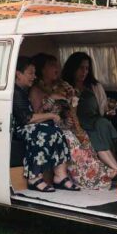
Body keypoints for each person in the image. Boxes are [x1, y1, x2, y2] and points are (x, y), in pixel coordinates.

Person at [30, 53, 112, 190]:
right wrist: (52, 98)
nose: (56, 68)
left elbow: (69, 109)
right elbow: (36, 116)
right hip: (46, 127)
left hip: (62, 125)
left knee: (83, 136)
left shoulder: (60, 86)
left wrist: (70, 105)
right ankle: (85, 177)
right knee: (69, 138)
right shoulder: (36, 90)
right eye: (51, 66)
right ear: (42, 69)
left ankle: (98, 172)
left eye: (56, 65)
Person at [12, 56, 72, 192]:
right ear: (18, 74)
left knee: (56, 130)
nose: (34, 77)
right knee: (42, 133)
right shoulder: (15, 92)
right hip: (18, 128)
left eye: (34, 73)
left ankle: (60, 176)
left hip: (28, 125)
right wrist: (51, 115)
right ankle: (34, 177)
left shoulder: (24, 90)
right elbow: (26, 119)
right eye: (30, 73)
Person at [61, 52, 117, 177]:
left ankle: (114, 167)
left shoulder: (94, 86)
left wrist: (110, 108)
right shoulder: (64, 86)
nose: (84, 72)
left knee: (103, 124)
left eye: (87, 68)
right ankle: (116, 169)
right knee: (96, 131)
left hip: (95, 120)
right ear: (73, 68)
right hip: (78, 122)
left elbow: (103, 108)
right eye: (81, 68)